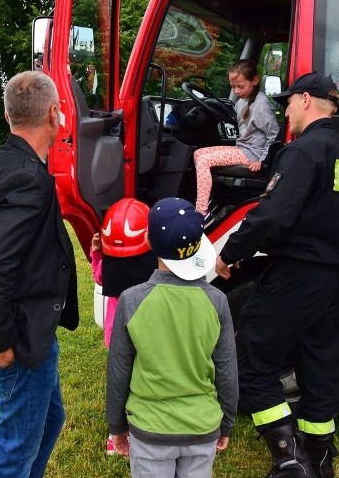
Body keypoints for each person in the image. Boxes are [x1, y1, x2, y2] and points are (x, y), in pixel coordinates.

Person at [215, 72, 339, 478]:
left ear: (306, 100)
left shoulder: (304, 152)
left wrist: (228, 254)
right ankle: (320, 460)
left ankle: (288, 461)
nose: (284, 110)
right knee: (319, 367)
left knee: (250, 359)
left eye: (288, 102)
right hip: (338, 280)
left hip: (297, 275)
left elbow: (273, 215)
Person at [0, 70, 79, 478]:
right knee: (16, 447)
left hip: (35, 333)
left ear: (7, 115)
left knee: (49, 420)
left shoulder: (8, 162)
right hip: (19, 337)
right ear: (53, 113)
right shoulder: (26, 176)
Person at [107, 197, 239, 478]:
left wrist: (117, 426)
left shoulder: (131, 301)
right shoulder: (216, 301)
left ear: (148, 240)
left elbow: (119, 371)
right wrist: (225, 423)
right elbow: (227, 371)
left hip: (150, 431)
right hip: (202, 429)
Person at [89, 197, 158, 454]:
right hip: (146, 337)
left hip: (116, 337)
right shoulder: (156, 265)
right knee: (141, 382)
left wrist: (97, 252)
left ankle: (116, 433)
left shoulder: (109, 265)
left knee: (120, 382)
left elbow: (98, 274)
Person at [193, 59, 280, 216]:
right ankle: (210, 197)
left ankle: (201, 210)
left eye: (240, 86)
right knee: (198, 153)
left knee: (204, 160)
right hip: (243, 148)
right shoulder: (242, 101)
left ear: (254, 81)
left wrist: (262, 160)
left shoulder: (260, 105)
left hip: (252, 153)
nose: (236, 91)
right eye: (233, 87)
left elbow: (274, 134)